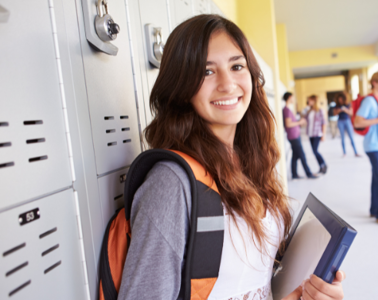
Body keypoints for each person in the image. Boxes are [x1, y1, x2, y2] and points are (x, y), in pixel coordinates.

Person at [119, 15, 344, 300]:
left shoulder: (251, 162)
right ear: (181, 87)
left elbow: (256, 279)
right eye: (206, 72)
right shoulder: (172, 184)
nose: (227, 84)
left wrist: (308, 291)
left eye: (237, 66)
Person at [353, 72, 378, 226]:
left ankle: (375, 209)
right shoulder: (369, 101)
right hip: (374, 146)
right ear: (375, 83)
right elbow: (357, 122)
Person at [283, 92, 319, 179]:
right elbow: (288, 124)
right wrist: (299, 122)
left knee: (295, 156)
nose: (294, 99)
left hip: (295, 135)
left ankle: (294, 174)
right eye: (293, 97)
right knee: (302, 155)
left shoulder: (287, 109)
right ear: (290, 97)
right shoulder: (287, 110)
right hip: (293, 136)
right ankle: (309, 173)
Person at [305, 95, 327, 174]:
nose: (308, 102)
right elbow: (304, 119)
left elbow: (324, 123)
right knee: (314, 151)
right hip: (310, 133)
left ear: (314, 101)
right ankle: (321, 166)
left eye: (310, 100)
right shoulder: (309, 110)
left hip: (317, 133)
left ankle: (324, 164)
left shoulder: (320, 110)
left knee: (315, 151)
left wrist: (323, 135)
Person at [333, 93, 360, 157]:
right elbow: (334, 114)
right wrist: (339, 111)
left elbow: (351, 113)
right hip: (340, 121)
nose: (340, 100)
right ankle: (344, 153)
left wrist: (345, 110)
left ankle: (356, 152)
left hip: (347, 121)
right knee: (342, 138)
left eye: (341, 99)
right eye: (339, 99)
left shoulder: (348, 105)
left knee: (351, 137)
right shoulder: (337, 106)